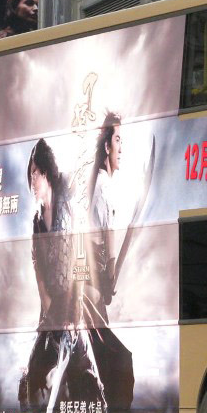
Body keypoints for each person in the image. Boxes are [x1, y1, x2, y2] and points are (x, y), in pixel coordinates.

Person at [18, 138, 109, 413]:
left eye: (35, 173)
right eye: (30, 174)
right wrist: (48, 311)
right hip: (51, 314)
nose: (32, 180)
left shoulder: (67, 212)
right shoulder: (36, 222)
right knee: (32, 374)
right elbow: (38, 271)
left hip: (72, 313)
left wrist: (70, 317)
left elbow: (77, 267)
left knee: (86, 376)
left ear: (47, 173)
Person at [89, 112, 123, 306]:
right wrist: (110, 277)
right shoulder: (104, 189)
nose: (121, 149)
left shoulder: (97, 184)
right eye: (117, 140)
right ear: (107, 147)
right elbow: (110, 251)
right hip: (93, 280)